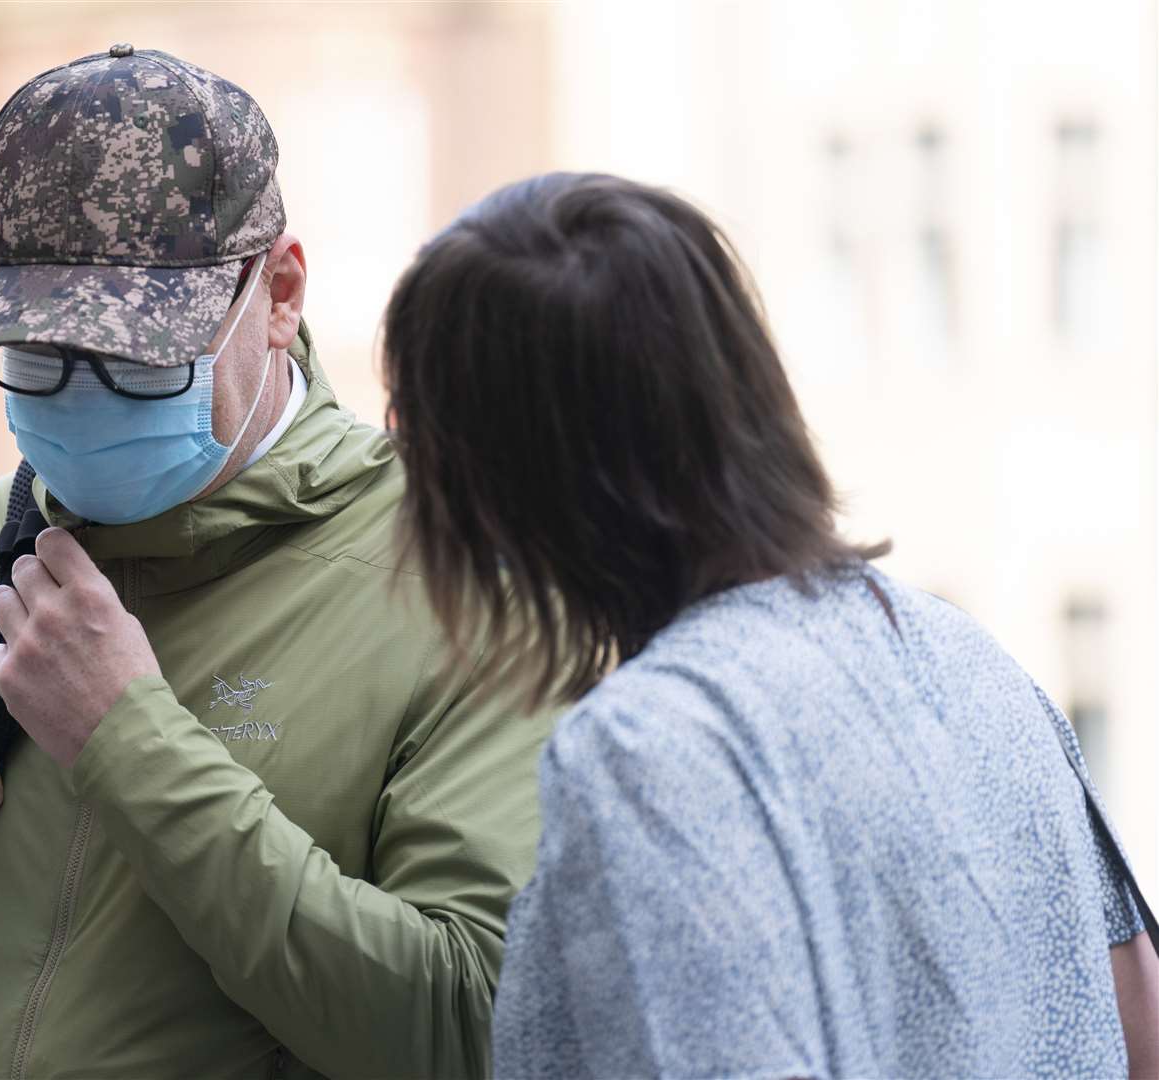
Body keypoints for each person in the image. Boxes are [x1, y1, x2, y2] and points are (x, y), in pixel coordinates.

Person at [0, 47, 551, 1079]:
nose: (77, 394)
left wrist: (131, 742)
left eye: (136, 356)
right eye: (36, 353)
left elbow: (468, 1029)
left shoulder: (463, 581)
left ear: (278, 295)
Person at [378, 171, 1159, 1078]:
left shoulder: (649, 749)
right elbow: (1139, 1016)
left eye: (414, 430)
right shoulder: (964, 654)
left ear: (501, 472)